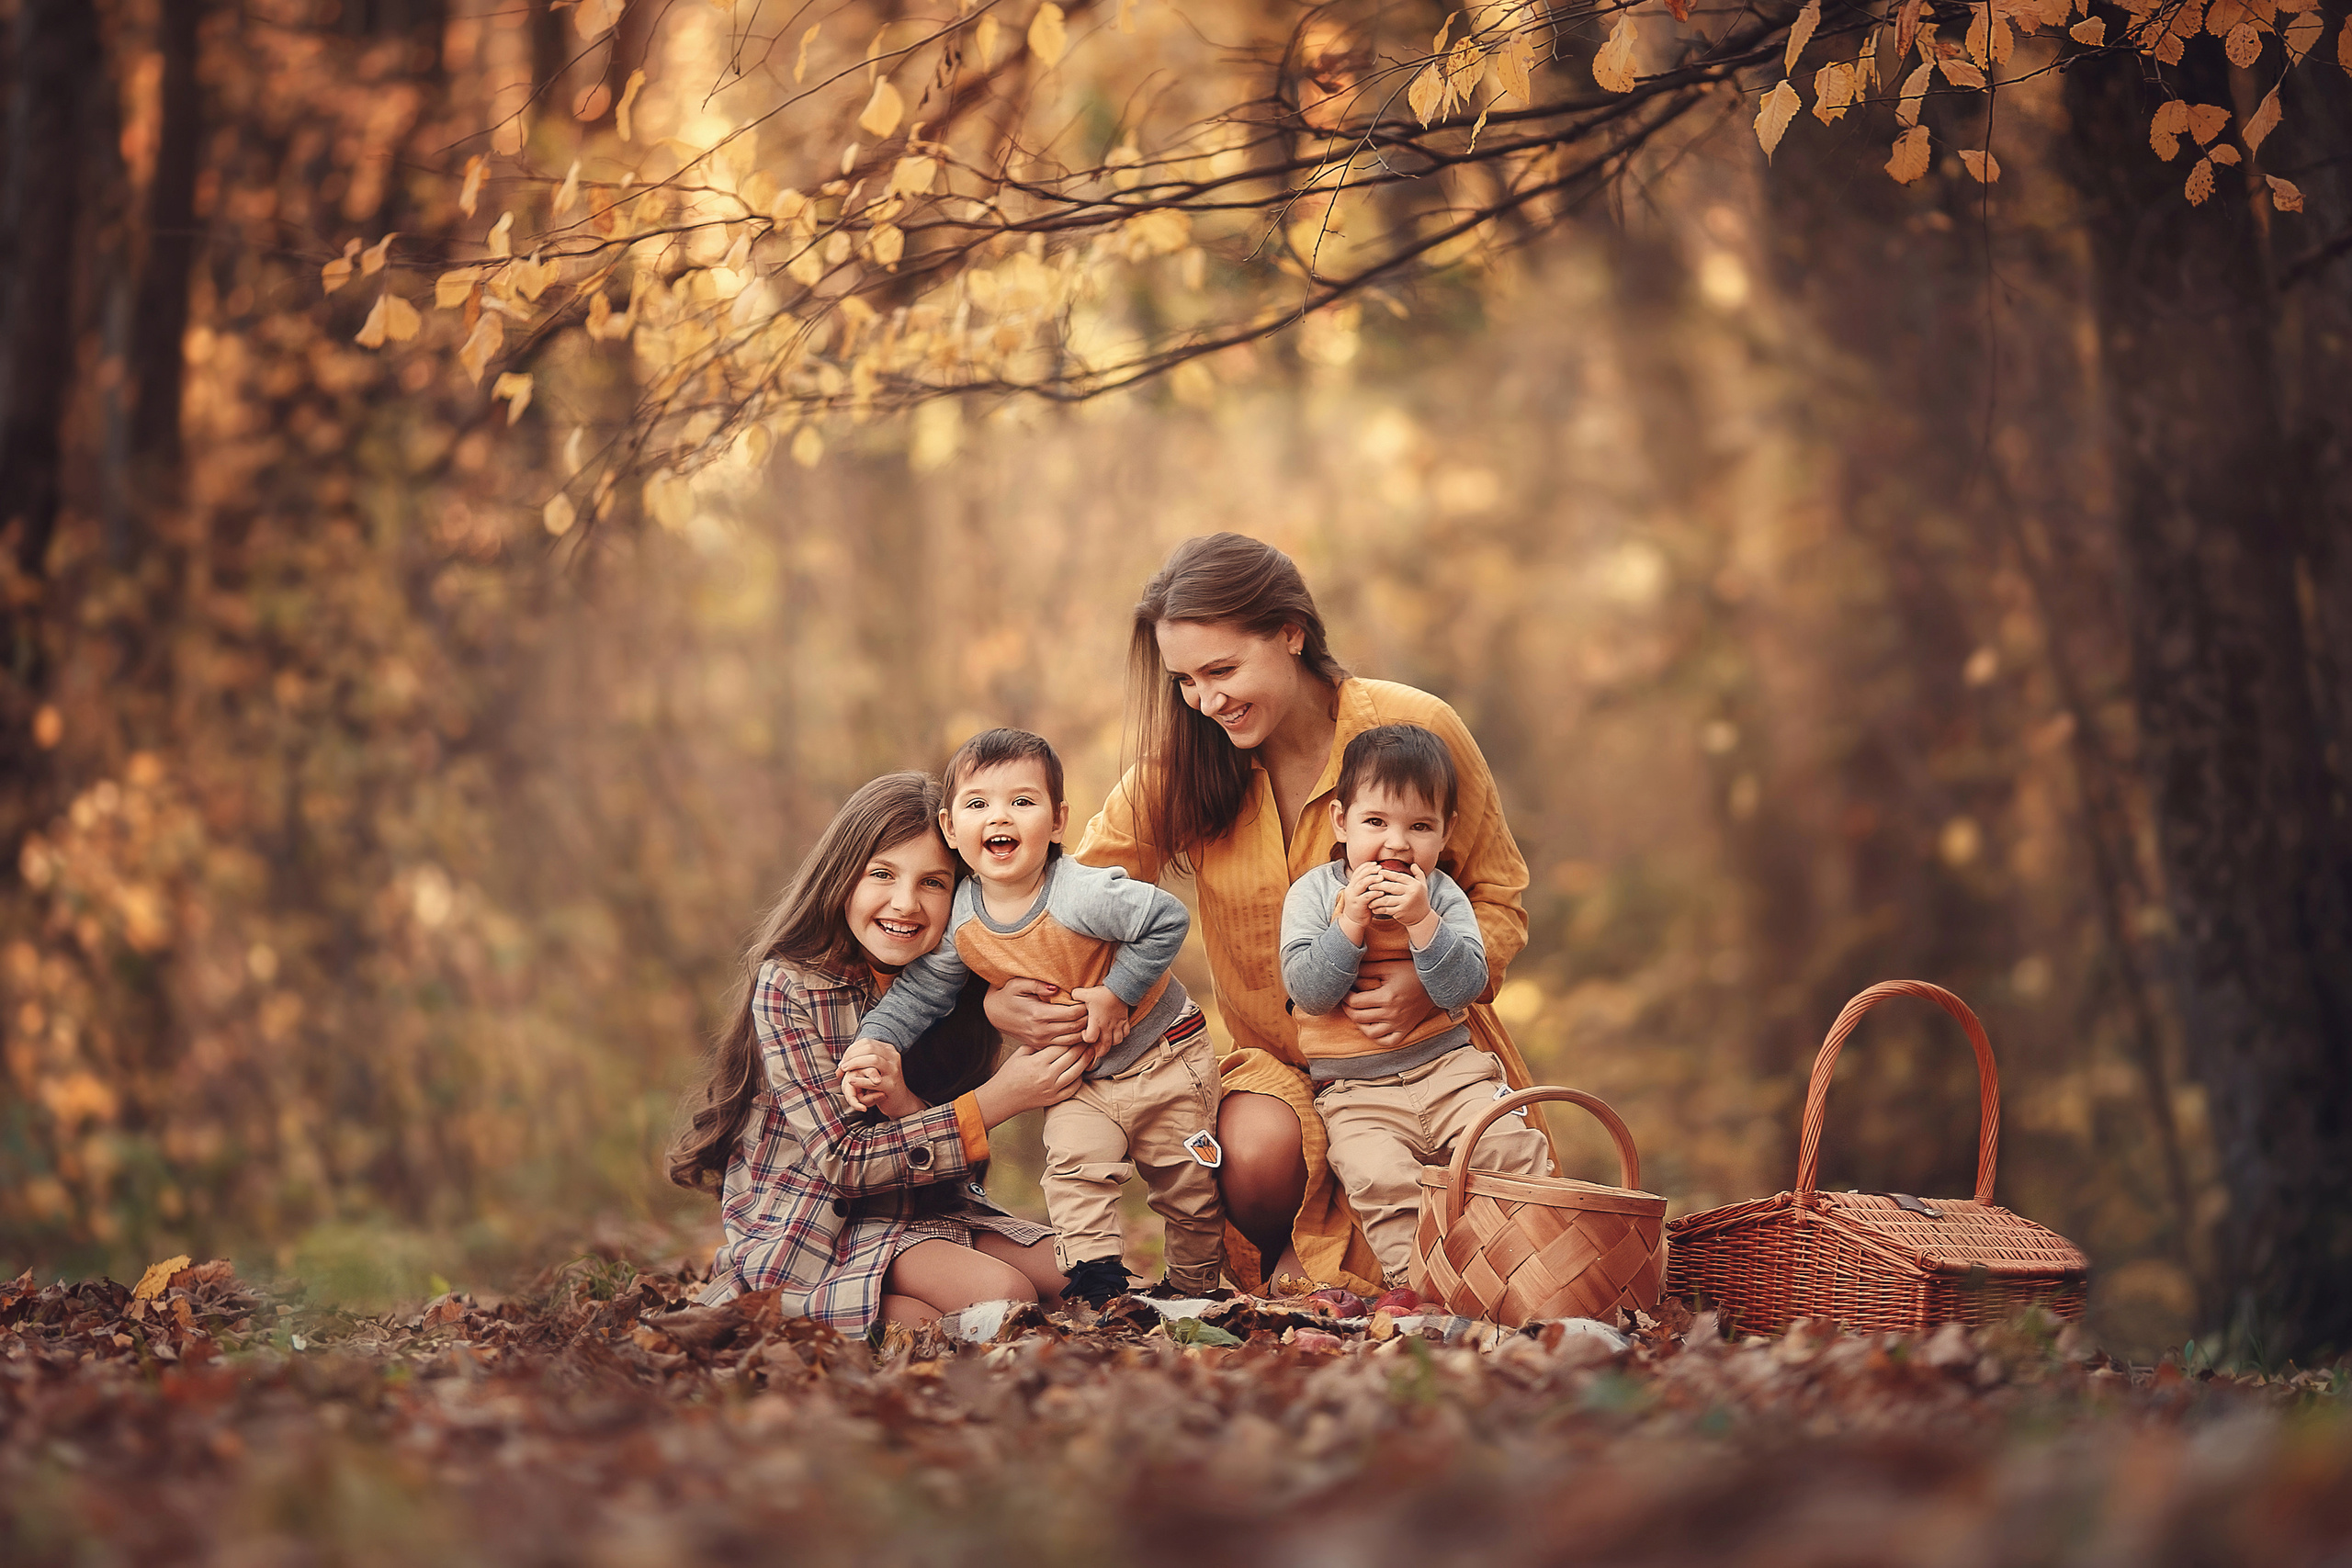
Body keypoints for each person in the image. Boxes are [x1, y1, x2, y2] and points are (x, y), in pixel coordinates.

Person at [987, 532, 1560, 1295]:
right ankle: (1292, 1246)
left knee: (1484, 1229)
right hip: (1281, 1065)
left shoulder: (1414, 727)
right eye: (1186, 680)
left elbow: (1498, 894)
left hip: (1424, 1054)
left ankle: (1352, 1261)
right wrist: (1004, 989)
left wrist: (1430, 980)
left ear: (1290, 632)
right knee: (1251, 1152)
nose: (1206, 700)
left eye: (1223, 669)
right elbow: (1070, 894)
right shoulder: (1185, 765)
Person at [669, 772, 1085, 1330]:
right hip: (817, 1229)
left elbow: (958, 1172)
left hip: (921, 1213)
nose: (905, 904)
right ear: (842, 877)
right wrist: (999, 1099)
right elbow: (844, 1162)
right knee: (1002, 1292)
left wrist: (910, 1101)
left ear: (964, 895)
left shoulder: (956, 987)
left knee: (1079, 1270)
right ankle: (811, 1316)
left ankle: (923, 1317)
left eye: (934, 883)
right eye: (882, 874)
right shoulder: (790, 986)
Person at [841, 729, 1225, 1306]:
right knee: (1073, 1171)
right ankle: (1101, 1288)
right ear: (951, 828)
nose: (1002, 817)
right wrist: (877, 1041)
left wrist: (1118, 993)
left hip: (1163, 1053)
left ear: (1057, 820)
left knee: (1187, 1184)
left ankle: (1194, 1290)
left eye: (1023, 801)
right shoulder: (960, 920)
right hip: (1081, 1079)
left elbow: (1166, 918)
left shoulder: (1080, 893)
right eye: (979, 804)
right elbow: (920, 993)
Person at [1283, 723, 1553, 1286]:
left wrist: (1422, 922)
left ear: (1445, 832)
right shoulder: (1312, 895)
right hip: (1358, 1093)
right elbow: (1308, 992)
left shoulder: (1444, 895)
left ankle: (1534, 1269)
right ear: (1341, 821)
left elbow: (1465, 987)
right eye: (1376, 822)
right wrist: (1349, 924)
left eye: (1420, 826)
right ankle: (1422, 1289)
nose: (1397, 843)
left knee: (1508, 1145)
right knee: (1378, 1176)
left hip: (1451, 1071)